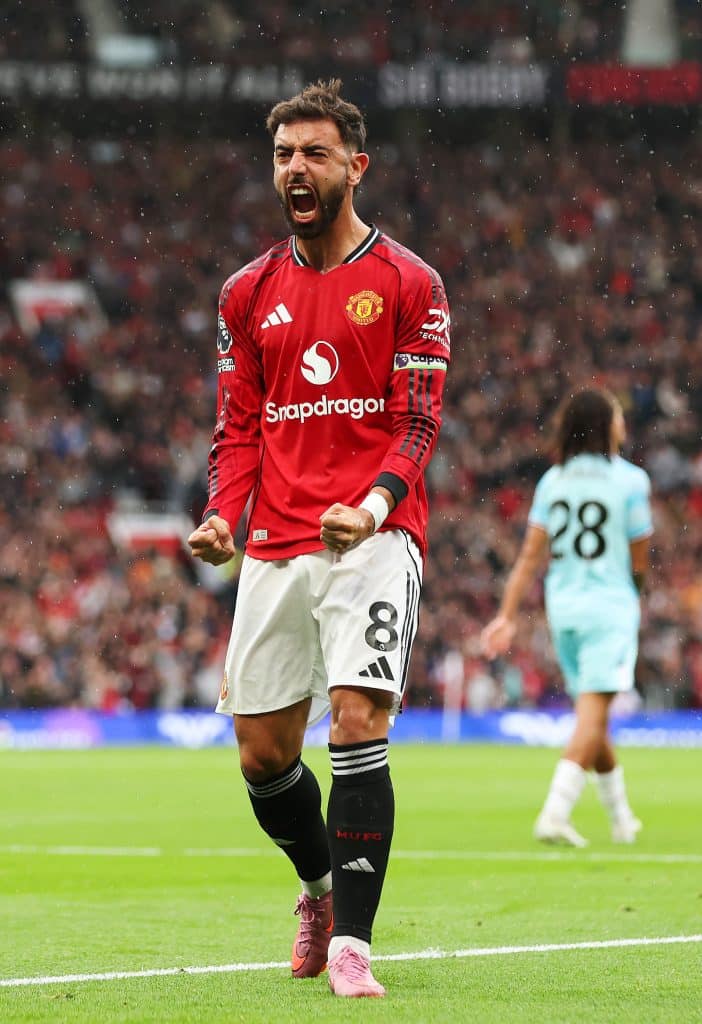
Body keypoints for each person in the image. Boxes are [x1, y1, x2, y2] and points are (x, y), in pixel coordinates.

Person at [187, 79, 450, 997]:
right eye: (283, 155)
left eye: (314, 153)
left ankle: (354, 949)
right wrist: (223, 513)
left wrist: (371, 508)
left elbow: (418, 422)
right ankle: (320, 891)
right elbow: (238, 429)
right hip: (276, 540)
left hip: (372, 539)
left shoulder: (410, 283)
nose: (295, 168)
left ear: (355, 167)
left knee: (356, 722)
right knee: (262, 756)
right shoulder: (246, 292)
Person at [480, 388, 652, 848]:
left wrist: (507, 616)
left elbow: (529, 558)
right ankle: (554, 814)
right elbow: (639, 558)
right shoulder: (631, 481)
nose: (622, 423)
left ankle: (622, 820)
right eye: (617, 415)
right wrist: (634, 597)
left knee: (592, 717)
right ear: (605, 425)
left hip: (565, 610)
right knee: (592, 719)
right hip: (609, 608)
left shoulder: (552, 481)